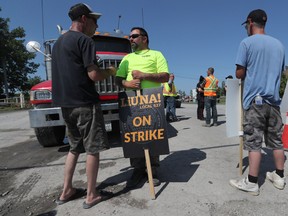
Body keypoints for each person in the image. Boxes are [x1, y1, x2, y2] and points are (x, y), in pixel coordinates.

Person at [51, 3, 116, 209]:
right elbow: (94, 75)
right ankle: (91, 195)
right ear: (84, 19)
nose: (97, 26)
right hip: (85, 102)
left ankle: (67, 190)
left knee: (74, 147)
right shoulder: (84, 40)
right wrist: (110, 72)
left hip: (65, 104)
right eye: (95, 21)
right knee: (92, 148)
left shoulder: (58, 43)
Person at [229, 9, 286, 196]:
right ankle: (279, 176)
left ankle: (252, 182)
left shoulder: (246, 43)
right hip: (274, 102)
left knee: (254, 142)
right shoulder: (279, 45)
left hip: (255, 101)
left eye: (246, 25)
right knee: (277, 141)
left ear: (250, 22)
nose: (246, 28)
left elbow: (239, 73)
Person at [115, 27, 169, 188]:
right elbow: (118, 79)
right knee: (135, 135)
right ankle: (138, 169)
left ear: (144, 38)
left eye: (134, 36)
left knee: (153, 133)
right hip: (132, 102)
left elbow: (165, 76)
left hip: (151, 100)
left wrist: (144, 75)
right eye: (130, 37)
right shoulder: (127, 58)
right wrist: (127, 83)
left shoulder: (156, 55)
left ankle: (152, 169)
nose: (130, 39)